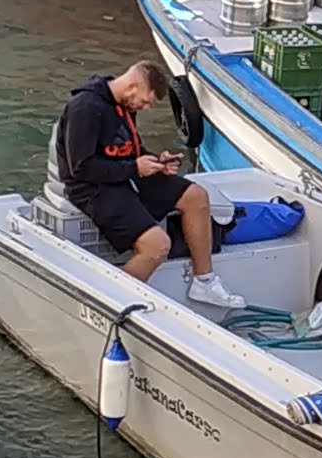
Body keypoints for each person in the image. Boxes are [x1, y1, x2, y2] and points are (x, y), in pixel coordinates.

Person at [54, 60, 227, 302]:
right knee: (157, 245)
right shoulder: (85, 109)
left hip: (125, 172)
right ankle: (113, 301)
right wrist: (134, 167)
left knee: (195, 196)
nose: (145, 107)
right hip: (91, 186)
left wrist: (156, 161)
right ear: (132, 87)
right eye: (145, 101)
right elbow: (81, 168)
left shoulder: (125, 106)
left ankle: (204, 281)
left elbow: (129, 148)